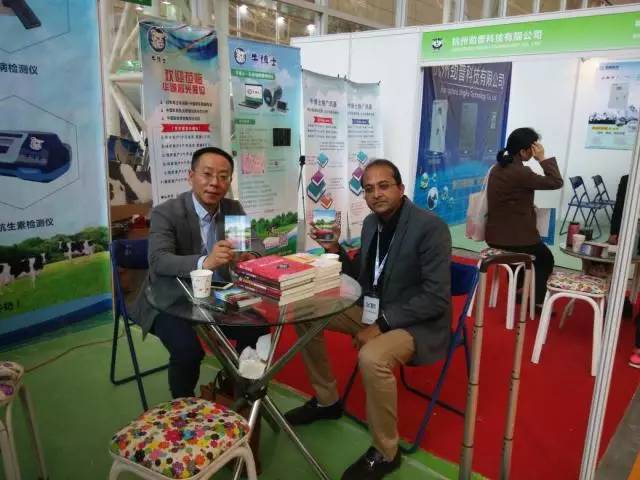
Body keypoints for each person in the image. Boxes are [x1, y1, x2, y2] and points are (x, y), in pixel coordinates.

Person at [285, 159, 452, 480]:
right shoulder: (371, 223)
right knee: (303, 312)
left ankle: (386, 452)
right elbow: (363, 278)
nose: (376, 194)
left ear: (401, 188)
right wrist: (334, 249)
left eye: (384, 186)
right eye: (369, 188)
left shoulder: (431, 228)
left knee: (372, 357)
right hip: (374, 309)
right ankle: (327, 401)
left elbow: (435, 298)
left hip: (416, 322)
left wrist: (381, 324)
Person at [133, 146, 267, 398]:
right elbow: (159, 261)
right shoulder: (167, 212)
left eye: (223, 176)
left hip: (218, 296)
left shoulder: (232, 209)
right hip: (170, 298)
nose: (215, 183)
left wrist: (250, 256)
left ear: (229, 181)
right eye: (207, 174)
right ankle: (183, 405)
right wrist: (206, 261)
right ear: (190, 176)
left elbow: (256, 244)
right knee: (188, 352)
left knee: (257, 326)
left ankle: (235, 382)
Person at [485, 127, 563, 307]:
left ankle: (519, 289)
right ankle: (537, 301)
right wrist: (542, 158)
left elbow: (509, 198)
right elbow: (556, 182)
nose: (536, 151)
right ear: (523, 151)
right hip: (515, 240)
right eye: (533, 148)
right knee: (545, 258)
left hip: (494, 238)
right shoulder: (522, 172)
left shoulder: (497, 168)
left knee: (524, 255)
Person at [606, 174, 640, 369]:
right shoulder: (629, 178)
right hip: (630, 228)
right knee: (618, 264)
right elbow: (619, 206)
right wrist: (614, 231)